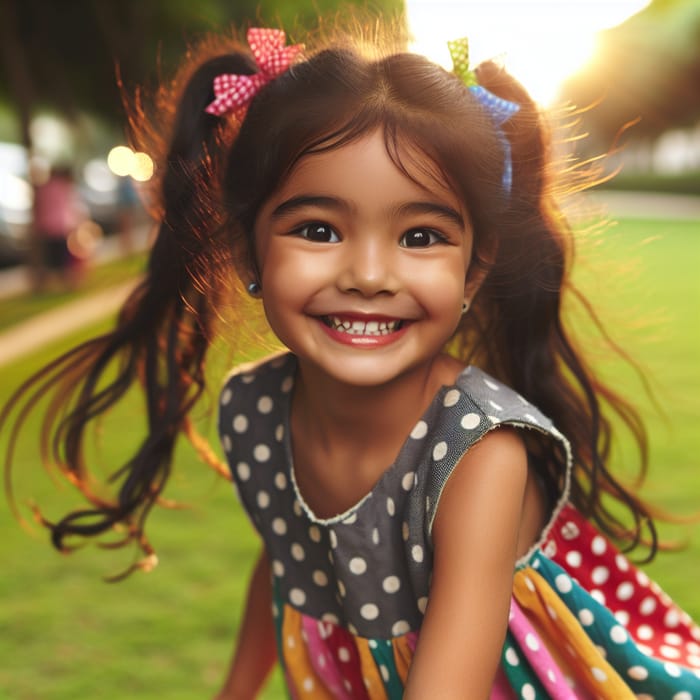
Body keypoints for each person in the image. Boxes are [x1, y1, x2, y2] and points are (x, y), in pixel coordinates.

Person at [2, 23, 699, 699]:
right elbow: (290, 562)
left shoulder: (480, 455)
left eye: (421, 235)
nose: (369, 273)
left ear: (474, 270)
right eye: (318, 229)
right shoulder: (256, 409)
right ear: (248, 252)